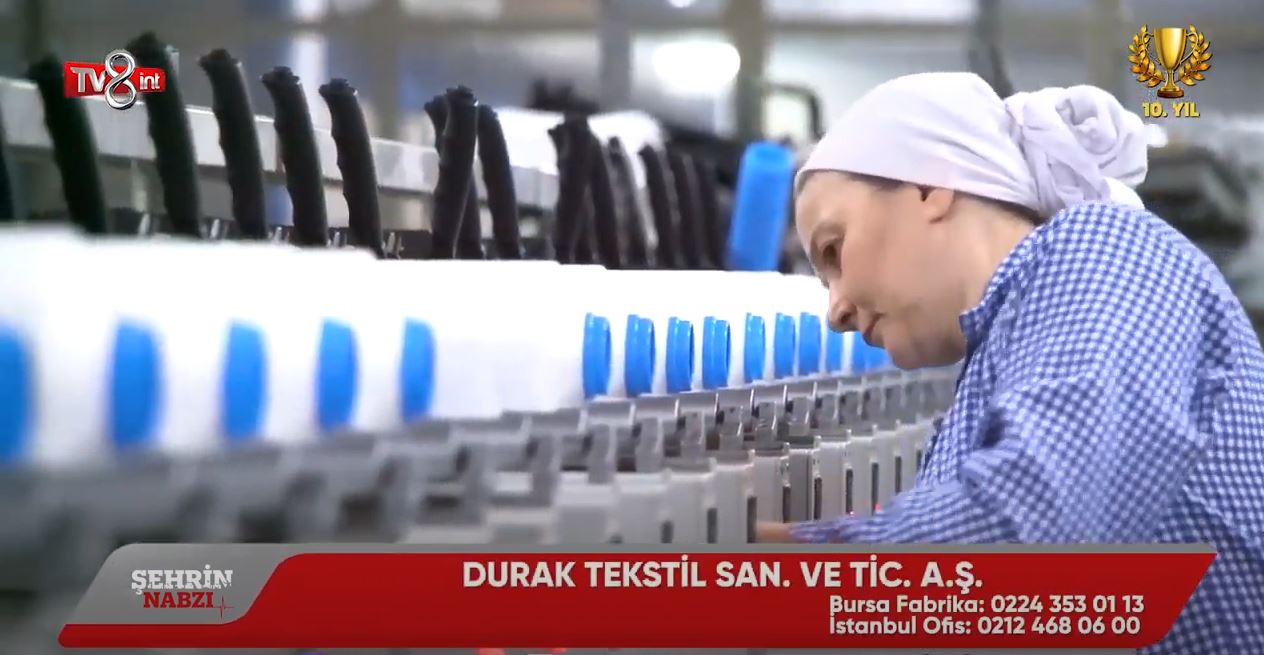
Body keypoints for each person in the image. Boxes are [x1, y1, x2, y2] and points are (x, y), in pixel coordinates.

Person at [756, 72, 1264, 653]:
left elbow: (1034, 544)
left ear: (929, 184)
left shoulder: (1108, 251)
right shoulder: (1003, 349)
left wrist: (736, 573)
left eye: (834, 250)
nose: (836, 311)